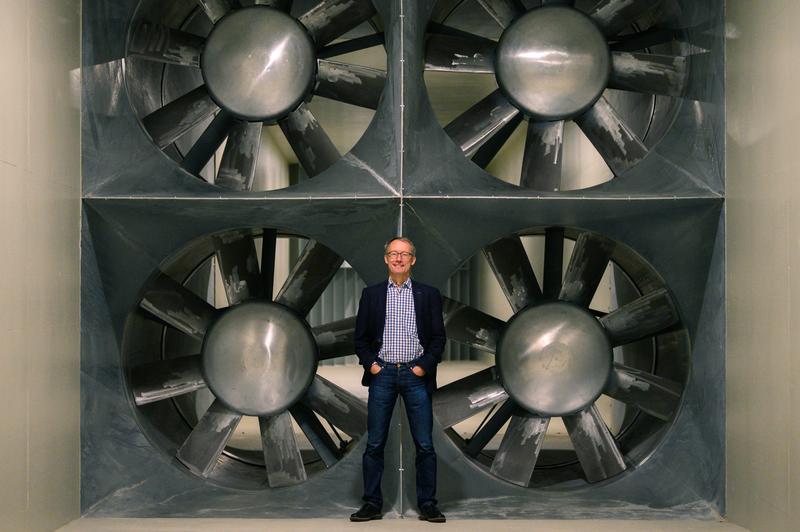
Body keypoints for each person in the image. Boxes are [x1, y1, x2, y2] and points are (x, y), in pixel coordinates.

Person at [350, 237, 447, 523]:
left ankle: (428, 504)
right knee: (375, 444)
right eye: (394, 253)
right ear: (386, 259)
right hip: (383, 375)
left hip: (416, 376)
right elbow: (361, 339)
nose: (399, 258)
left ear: (413, 260)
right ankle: (371, 503)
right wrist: (373, 366)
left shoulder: (428, 294)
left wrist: (423, 367)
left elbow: (439, 338)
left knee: (425, 445)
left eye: (404, 254)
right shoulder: (372, 295)